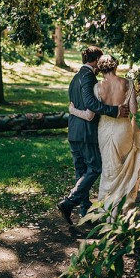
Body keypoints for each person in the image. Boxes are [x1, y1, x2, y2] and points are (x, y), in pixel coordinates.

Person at [69, 54, 140, 221]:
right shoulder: (128, 83)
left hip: (104, 131)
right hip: (123, 131)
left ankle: (107, 214)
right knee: (123, 169)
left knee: (109, 171)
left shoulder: (97, 87)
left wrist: (73, 111)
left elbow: (91, 114)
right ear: (116, 66)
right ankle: (121, 211)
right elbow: (134, 111)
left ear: (100, 68)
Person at [57, 47, 129, 225]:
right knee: (96, 167)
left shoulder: (75, 77)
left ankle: (84, 212)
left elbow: (76, 104)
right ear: (96, 59)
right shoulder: (89, 77)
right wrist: (114, 111)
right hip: (86, 132)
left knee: (81, 172)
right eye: (100, 59)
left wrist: (73, 111)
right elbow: (90, 103)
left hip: (74, 131)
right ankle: (68, 203)